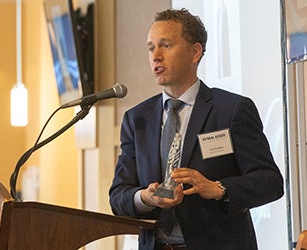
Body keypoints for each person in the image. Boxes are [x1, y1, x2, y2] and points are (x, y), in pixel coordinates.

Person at [109, 8, 284, 250]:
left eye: (166, 45)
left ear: (195, 52)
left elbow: (270, 182)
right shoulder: (137, 119)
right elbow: (118, 196)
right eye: (151, 48)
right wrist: (146, 198)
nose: (156, 56)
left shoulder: (231, 110)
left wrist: (219, 189)